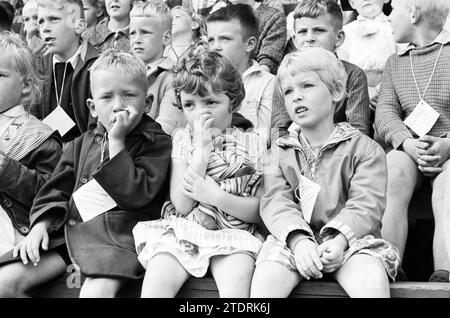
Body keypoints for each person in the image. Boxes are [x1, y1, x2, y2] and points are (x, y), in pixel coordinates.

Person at [0, 49, 172, 298]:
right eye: (106, 97)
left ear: (147, 103)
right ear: (92, 107)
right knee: (4, 283)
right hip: (69, 238)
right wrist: (41, 226)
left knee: (95, 292)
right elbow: (56, 190)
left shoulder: (156, 143)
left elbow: (135, 194)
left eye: (128, 95)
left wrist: (117, 143)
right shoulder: (81, 143)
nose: (118, 106)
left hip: (118, 241)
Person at [251, 47, 400, 298]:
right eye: (288, 91)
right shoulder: (277, 152)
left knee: (371, 278)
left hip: (351, 241)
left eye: (307, 86)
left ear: (336, 91)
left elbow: (366, 203)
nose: (296, 96)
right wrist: (299, 242)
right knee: (266, 278)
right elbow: (275, 201)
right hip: (294, 243)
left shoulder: (364, 149)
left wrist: (339, 241)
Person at [132, 47, 265, 298]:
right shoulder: (184, 140)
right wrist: (201, 151)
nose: (200, 112)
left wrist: (217, 197)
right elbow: (181, 204)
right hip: (188, 229)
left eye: (211, 102)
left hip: (234, 234)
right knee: (159, 273)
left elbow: (259, 210)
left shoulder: (253, 143)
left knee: (236, 281)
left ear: (233, 102)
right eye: (189, 105)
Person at [375, 0, 450, 283]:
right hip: (409, 150)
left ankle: (446, 270)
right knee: (392, 167)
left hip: (447, 151)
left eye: (392, 9)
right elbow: (385, 112)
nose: (388, 16)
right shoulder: (395, 63)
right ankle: (386, 261)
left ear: (413, 13)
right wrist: (406, 142)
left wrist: (448, 144)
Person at [271, 0, 371, 143]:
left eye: (319, 30)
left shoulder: (353, 75)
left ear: (339, 38)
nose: (309, 38)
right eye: (302, 32)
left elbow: (358, 131)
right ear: (294, 39)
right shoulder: (285, 77)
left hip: (343, 155)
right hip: (297, 153)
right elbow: (278, 130)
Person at [0, 32, 62, 258]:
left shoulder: (38, 136)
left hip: (19, 235)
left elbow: (51, 192)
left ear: (25, 85)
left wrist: (6, 168)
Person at [30, 0, 98, 143]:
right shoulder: (36, 67)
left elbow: (97, 131)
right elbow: (30, 121)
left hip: (82, 157)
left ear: (79, 26)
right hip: (45, 154)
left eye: (54, 19)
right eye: (41, 21)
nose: (45, 28)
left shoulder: (97, 68)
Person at [206, 4, 275, 145]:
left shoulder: (267, 83)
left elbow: (263, 139)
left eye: (225, 39)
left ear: (249, 44)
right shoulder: (202, 80)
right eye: (211, 40)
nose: (215, 47)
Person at [129, 0, 182, 135]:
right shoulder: (124, 73)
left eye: (145, 32)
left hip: (151, 150)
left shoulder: (174, 77)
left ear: (167, 38)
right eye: (132, 33)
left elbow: (166, 128)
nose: (137, 40)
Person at [337, 0, 396, 109]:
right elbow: (342, 69)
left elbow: (402, 62)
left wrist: (381, 89)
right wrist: (365, 90)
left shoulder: (394, 27)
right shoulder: (347, 31)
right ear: (352, 3)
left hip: (391, 87)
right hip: (355, 89)